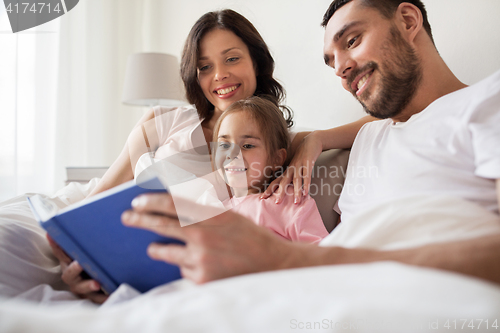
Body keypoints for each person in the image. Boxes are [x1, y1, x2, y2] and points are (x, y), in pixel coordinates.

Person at [122, 0, 500, 286]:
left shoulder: (487, 101)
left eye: (352, 41)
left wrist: (287, 259)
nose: (340, 68)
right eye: (331, 60)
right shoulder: (371, 134)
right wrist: (313, 139)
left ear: (407, 20)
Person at [49, 9, 371, 302]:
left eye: (231, 59)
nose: (219, 75)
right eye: (205, 67)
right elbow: (94, 203)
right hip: (125, 257)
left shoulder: (276, 144)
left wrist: (315, 140)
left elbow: (381, 119)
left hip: (187, 281)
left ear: (255, 63)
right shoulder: (163, 122)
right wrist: (76, 261)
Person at [213, 96, 328, 243]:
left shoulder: (288, 202)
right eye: (224, 145)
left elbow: (322, 253)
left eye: (247, 146)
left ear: (276, 159)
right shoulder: (215, 210)